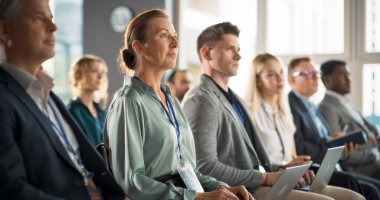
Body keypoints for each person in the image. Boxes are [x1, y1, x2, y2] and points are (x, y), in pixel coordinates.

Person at [181, 22, 364, 200]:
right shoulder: (201, 99)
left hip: (259, 182)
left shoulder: (235, 99)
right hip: (240, 191)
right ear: (206, 53)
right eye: (230, 48)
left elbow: (255, 163)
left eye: (239, 49)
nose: (238, 56)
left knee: (354, 197)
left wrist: (283, 170)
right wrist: (266, 177)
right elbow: (205, 167)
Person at [103, 9, 253, 200]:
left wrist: (222, 187)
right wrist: (197, 198)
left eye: (174, 35)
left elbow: (188, 172)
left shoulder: (171, 99)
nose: (176, 43)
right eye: (164, 35)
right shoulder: (129, 101)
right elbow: (132, 181)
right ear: (139, 47)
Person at [0, 0, 124, 199]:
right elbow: (10, 189)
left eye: (52, 18)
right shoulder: (5, 98)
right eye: (39, 18)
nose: (54, 27)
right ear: (5, 30)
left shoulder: (47, 94)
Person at [247, 53, 380, 199]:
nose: (280, 78)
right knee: (356, 186)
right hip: (273, 177)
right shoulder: (252, 114)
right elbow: (254, 162)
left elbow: (294, 156)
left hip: (296, 173)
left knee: (358, 195)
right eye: (272, 74)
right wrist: (284, 167)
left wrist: (335, 143)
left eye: (281, 73)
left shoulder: (285, 113)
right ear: (258, 81)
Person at [287, 57, 380, 179]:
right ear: (292, 79)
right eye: (308, 73)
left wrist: (334, 140)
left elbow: (324, 140)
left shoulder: (313, 107)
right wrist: (333, 147)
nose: (315, 77)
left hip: (332, 167)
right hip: (316, 171)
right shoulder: (291, 107)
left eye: (316, 73)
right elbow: (301, 149)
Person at [318, 60, 379, 153]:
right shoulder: (326, 107)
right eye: (342, 75)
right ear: (327, 79)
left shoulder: (347, 102)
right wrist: (376, 157)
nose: (348, 79)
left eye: (348, 74)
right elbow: (338, 150)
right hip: (365, 162)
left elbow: (370, 129)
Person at [67, 54, 108, 147]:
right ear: (78, 75)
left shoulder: (103, 113)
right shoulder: (71, 111)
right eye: (94, 71)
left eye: (102, 72)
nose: (100, 76)